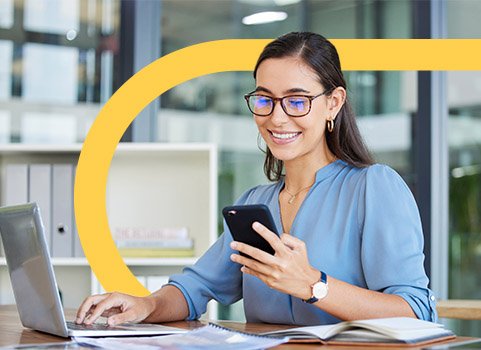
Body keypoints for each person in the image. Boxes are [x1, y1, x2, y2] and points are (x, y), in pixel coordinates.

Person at [76, 32, 437, 327]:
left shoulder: (373, 187)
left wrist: (314, 285)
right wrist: (146, 305)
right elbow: (194, 289)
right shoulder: (256, 202)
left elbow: (417, 310)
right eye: (265, 100)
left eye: (297, 101)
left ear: (333, 103)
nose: (277, 118)